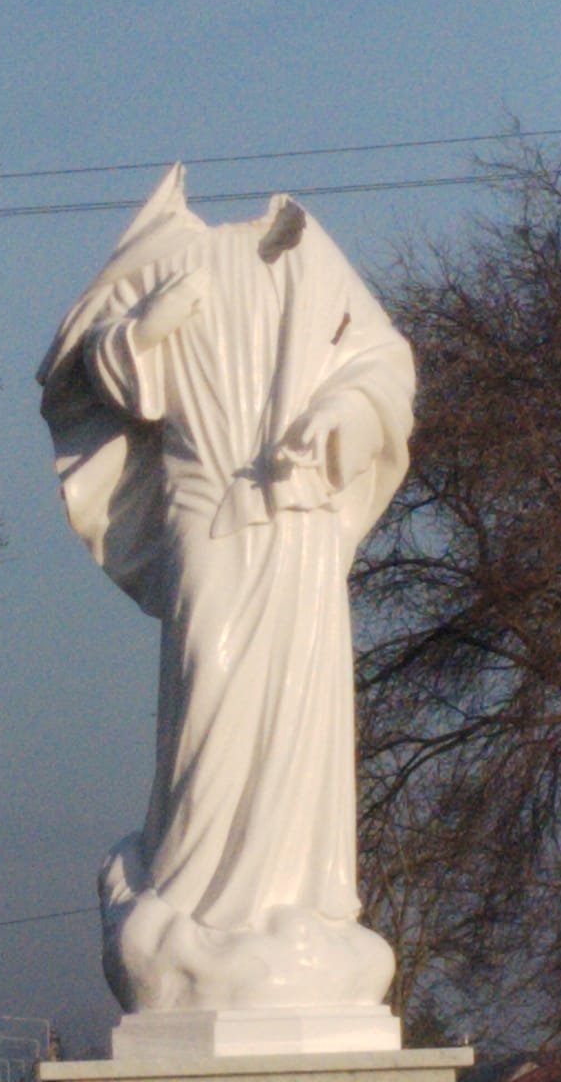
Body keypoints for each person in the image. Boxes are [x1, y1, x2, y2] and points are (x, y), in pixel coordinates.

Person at [37, 165, 414, 1021]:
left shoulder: (317, 262)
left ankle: (292, 904)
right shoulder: (174, 260)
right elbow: (118, 379)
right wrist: (144, 331)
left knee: (298, 709)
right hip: (205, 508)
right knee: (212, 687)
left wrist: (346, 417)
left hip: (300, 516)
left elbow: (384, 366)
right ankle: (196, 895)